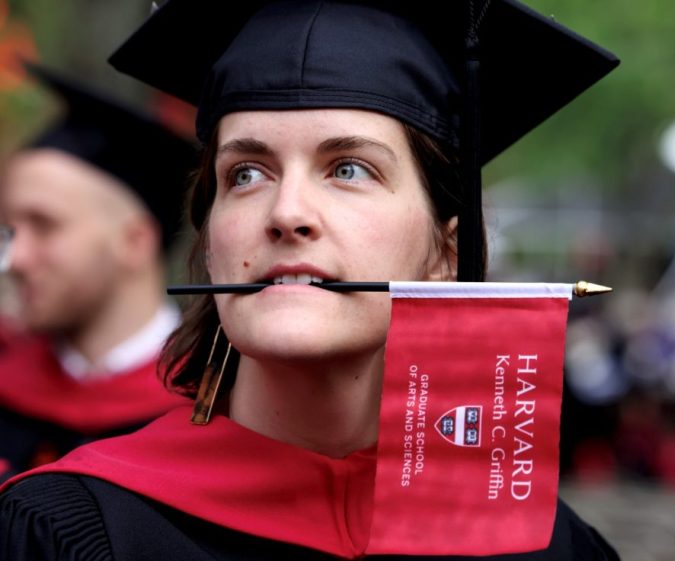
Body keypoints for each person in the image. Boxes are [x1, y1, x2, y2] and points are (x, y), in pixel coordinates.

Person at [0, 1, 621, 559]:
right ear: (211, 242)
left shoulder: (547, 548)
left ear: (446, 251)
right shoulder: (64, 531)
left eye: (348, 168)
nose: (287, 212)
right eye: (245, 173)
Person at [0, 63, 195, 480]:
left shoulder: (212, 406)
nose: (14, 258)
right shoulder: (7, 386)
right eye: (11, 229)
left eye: (45, 225)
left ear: (134, 242)